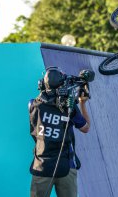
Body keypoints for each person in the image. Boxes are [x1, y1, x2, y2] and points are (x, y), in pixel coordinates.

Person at [29, 67, 90, 197]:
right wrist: (82, 103)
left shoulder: (33, 105)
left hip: (41, 166)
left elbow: (41, 99)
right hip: (66, 166)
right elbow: (86, 127)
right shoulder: (70, 108)